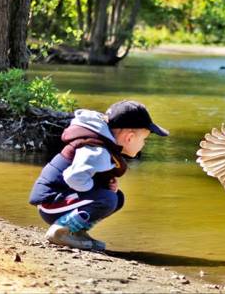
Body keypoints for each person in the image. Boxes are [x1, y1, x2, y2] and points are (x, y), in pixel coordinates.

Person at [28, 100, 168, 250]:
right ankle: (61, 231)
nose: (144, 144)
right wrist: (96, 189)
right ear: (130, 137)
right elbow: (73, 177)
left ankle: (76, 232)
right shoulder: (97, 150)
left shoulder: (102, 145)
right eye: (144, 140)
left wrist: (102, 185)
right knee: (107, 198)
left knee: (116, 197)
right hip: (51, 203)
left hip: (59, 199)